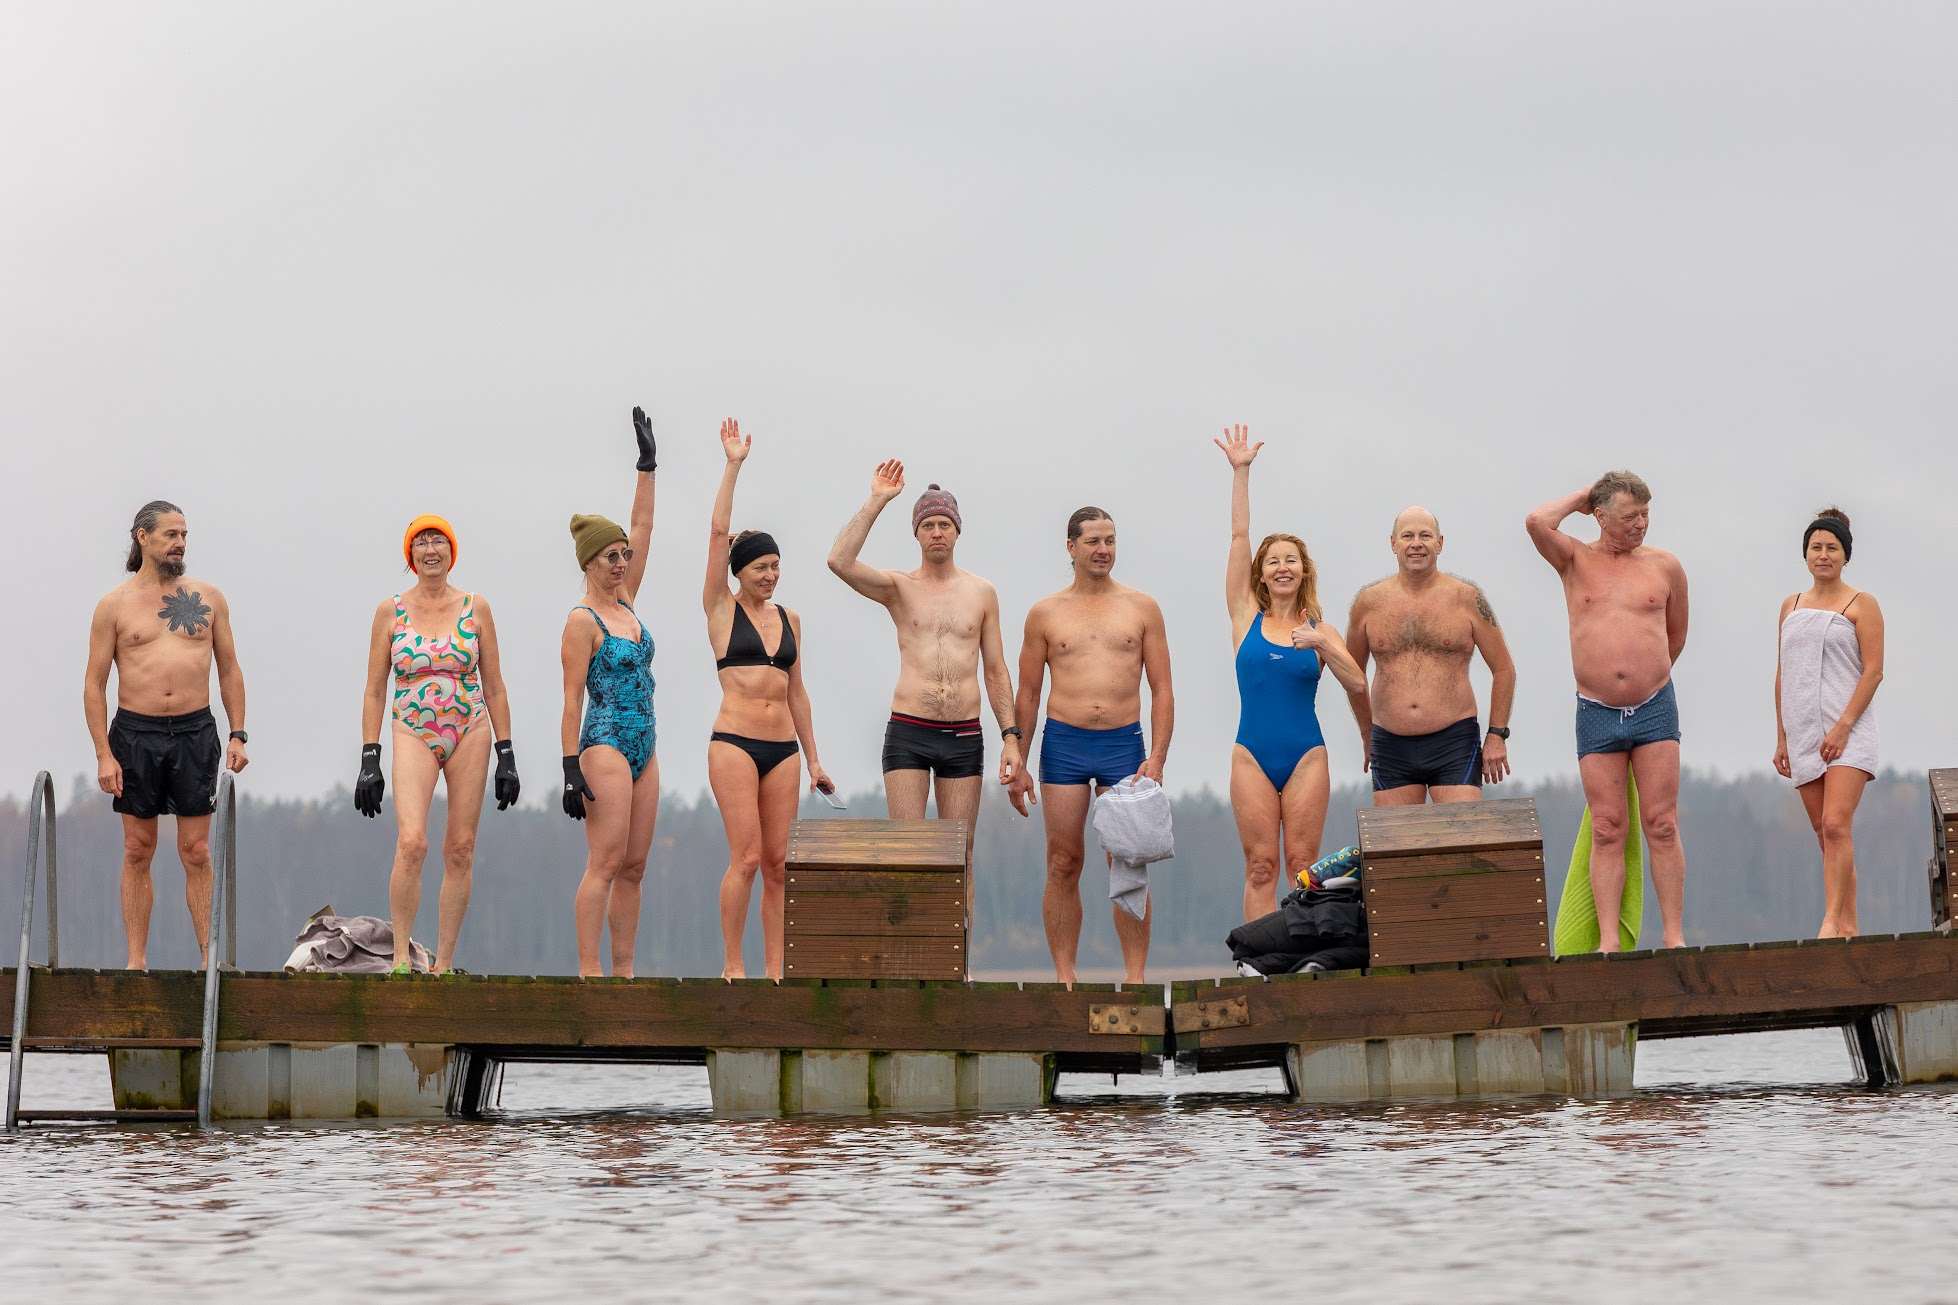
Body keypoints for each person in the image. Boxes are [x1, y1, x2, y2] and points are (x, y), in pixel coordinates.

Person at [1007, 506, 1174, 984]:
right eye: (1094, 542)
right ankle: (1066, 978)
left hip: (1124, 744)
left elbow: (1162, 688)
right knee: (1063, 861)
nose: (1103, 550)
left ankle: (1136, 979)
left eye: (1110, 541)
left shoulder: (1142, 608)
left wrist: (1157, 757)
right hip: (1065, 742)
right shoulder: (1045, 613)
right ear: (1071, 547)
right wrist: (1018, 759)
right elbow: (1029, 693)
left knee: (1127, 860)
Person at [1527, 470, 1689, 950]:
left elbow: (1676, 634)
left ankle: (1674, 936)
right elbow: (1536, 522)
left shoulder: (1665, 566)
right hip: (1595, 709)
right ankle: (1608, 942)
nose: (1640, 524)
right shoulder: (1574, 559)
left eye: (1645, 514)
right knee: (1607, 826)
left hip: (1655, 706)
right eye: (1629, 516)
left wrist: (1642, 676)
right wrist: (1583, 495)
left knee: (1662, 822)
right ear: (1599, 516)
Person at [83, 500, 249, 969]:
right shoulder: (114, 606)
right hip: (135, 733)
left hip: (195, 731)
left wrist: (238, 734)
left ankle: (209, 961)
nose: (180, 544)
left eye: (184, 535)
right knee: (137, 849)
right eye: (171, 535)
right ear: (143, 537)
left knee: (196, 850)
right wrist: (103, 754)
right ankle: (136, 962)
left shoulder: (208, 597)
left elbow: (229, 669)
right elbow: (94, 684)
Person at [353, 514, 519, 975]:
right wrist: (369, 757)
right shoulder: (390, 611)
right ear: (411, 555)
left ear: (451, 552)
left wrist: (506, 752)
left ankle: (442, 966)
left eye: (439, 542)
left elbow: (495, 686)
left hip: (469, 725)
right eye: (422, 542)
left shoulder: (475, 608)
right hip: (412, 726)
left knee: (461, 846)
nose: (431, 550)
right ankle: (400, 959)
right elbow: (374, 690)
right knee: (412, 842)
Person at [1215, 427, 1368, 920]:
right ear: (1261, 572)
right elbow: (1240, 537)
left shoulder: (1322, 630)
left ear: (1304, 571)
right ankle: (1258, 957)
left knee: (1302, 866)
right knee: (1261, 867)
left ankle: (1303, 956)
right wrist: (1241, 472)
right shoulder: (1245, 617)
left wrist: (1321, 643)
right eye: (1273, 561)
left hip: (1307, 756)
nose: (1282, 568)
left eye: (1291, 561)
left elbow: (1358, 683)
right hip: (1251, 755)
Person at [704, 419, 834, 979]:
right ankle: (734, 966)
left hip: (783, 751)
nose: (771, 575)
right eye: (761, 567)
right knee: (748, 857)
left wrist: (815, 759)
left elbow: (797, 692)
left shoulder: (790, 619)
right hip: (734, 743)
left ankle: (776, 972)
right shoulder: (720, 609)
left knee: (780, 864)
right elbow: (717, 533)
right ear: (740, 571)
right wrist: (733, 466)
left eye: (776, 566)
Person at [827, 462, 1021, 837]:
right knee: (906, 849)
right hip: (909, 731)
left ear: (957, 531)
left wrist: (1010, 738)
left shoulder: (982, 593)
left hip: (964, 734)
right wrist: (877, 500)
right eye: (927, 525)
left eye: (944, 524)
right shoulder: (898, 588)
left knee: (960, 853)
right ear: (916, 533)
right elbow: (839, 561)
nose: (936, 533)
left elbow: (995, 670)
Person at [559, 407, 659, 978]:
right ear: (589, 563)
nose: (621, 563)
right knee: (606, 860)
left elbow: (643, 525)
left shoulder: (627, 602)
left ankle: (625, 971)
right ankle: (589, 970)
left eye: (624, 555)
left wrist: (647, 466)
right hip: (604, 742)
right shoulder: (583, 620)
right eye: (610, 557)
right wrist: (569, 767)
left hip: (647, 743)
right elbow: (572, 699)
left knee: (635, 866)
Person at [1344, 507, 1517, 805]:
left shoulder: (1467, 598)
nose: (1416, 544)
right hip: (1390, 742)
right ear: (1393, 543)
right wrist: (1366, 732)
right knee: (1396, 836)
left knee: (1461, 832)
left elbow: (1504, 669)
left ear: (1440, 543)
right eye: (1407, 536)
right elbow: (1352, 675)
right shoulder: (1368, 603)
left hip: (1454, 740)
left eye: (1425, 536)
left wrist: (1496, 734)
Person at [1775, 508, 1883, 938]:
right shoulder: (1790, 606)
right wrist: (1782, 737)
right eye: (1816, 547)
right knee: (1826, 836)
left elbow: (1873, 671)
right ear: (1805, 554)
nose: (1823, 555)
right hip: (1803, 733)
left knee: (1838, 824)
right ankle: (1850, 927)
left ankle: (1830, 921)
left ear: (1845, 555)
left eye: (1832, 548)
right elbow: (1782, 674)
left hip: (1848, 732)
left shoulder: (1862, 604)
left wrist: (1843, 726)